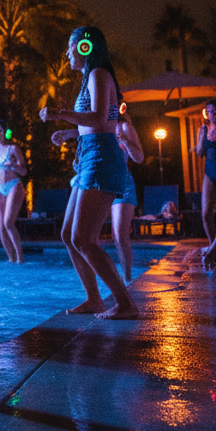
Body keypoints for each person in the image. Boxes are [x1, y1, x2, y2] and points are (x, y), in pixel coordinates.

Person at [41, 26, 138, 319]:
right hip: (89, 155)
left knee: (84, 238)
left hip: (102, 158)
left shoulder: (98, 75)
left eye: (71, 45)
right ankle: (94, 299)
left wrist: (59, 114)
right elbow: (98, 123)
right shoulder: (90, 77)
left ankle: (125, 303)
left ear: (85, 47)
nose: (68, 51)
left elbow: (98, 117)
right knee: (69, 235)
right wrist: (71, 134)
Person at [0, 121, 27, 263]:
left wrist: (12, 165)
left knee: (8, 222)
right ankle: (11, 259)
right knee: (1, 226)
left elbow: (24, 171)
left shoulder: (13, 149)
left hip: (13, 185)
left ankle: (20, 257)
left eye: (1, 130)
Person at [195, 101, 216, 245]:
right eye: (209, 112)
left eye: (214, 111)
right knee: (206, 213)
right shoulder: (204, 129)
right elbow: (199, 153)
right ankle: (212, 244)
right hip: (209, 172)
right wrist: (202, 136)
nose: (212, 115)